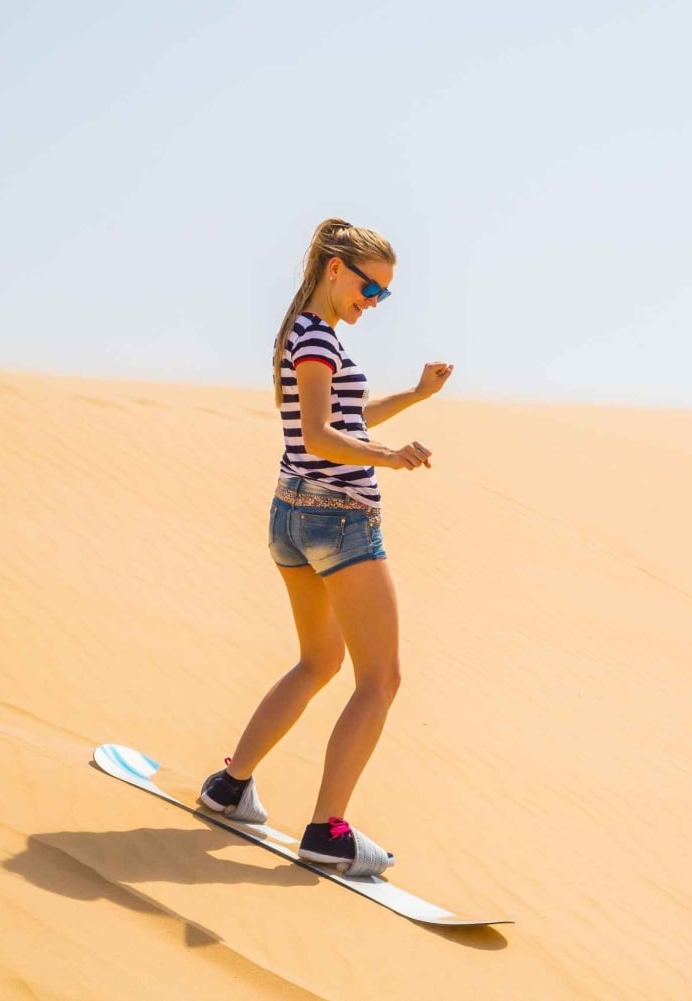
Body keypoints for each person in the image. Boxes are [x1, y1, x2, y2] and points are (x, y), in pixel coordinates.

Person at [197, 218, 453, 876]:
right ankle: (327, 831)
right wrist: (388, 458)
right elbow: (318, 435)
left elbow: (346, 419)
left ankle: (230, 785)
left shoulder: (309, 334)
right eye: (371, 288)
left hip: (292, 516)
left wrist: (416, 396)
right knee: (381, 679)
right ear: (335, 269)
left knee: (317, 661)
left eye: (385, 294)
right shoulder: (315, 338)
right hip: (337, 521)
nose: (375, 301)